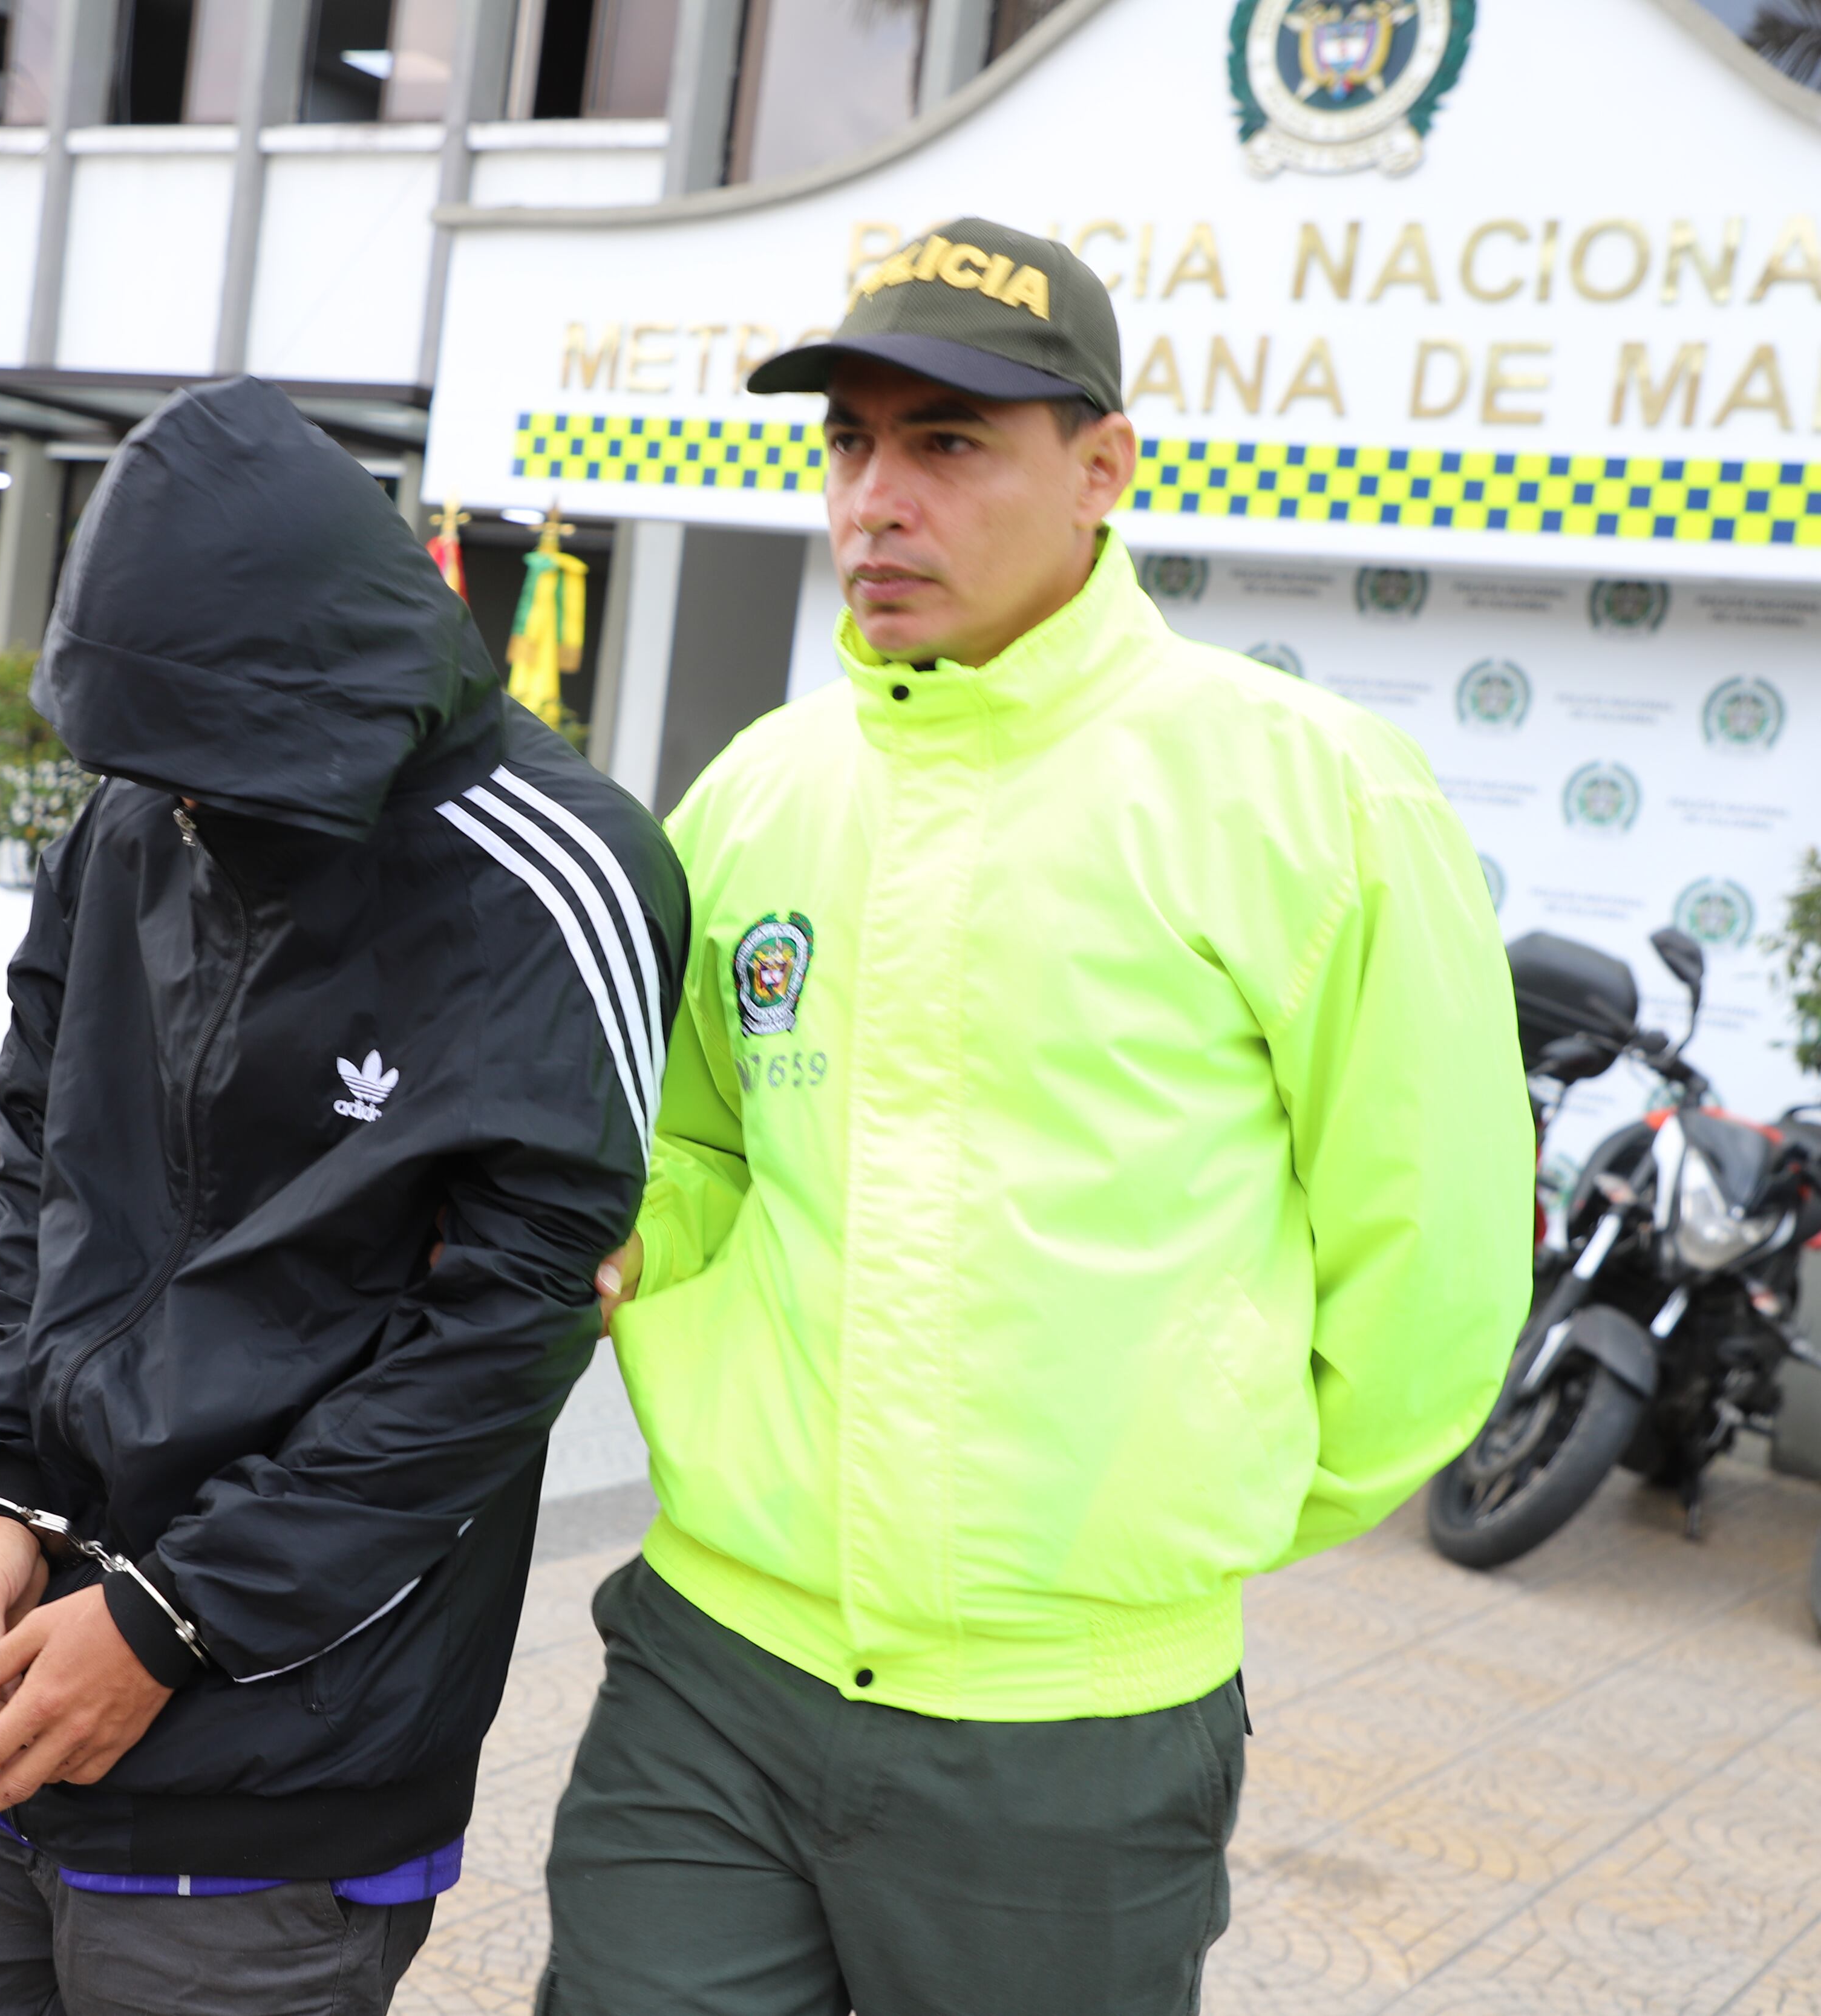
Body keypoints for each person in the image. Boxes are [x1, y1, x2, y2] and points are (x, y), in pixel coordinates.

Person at [546, 218, 1531, 2015]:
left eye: (946, 442)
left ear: (1103, 468)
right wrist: (617, 1248)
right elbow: (695, 1147)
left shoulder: (1307, 795)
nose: (874, 501)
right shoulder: (763, 788)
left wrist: (1161, 1519)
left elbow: (1438, 1253)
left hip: (1072, 1733)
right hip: (711, 1667)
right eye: (847, 442)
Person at [0, 375, 690, 2016]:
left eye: (211, 765)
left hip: (284, 1763)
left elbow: (504, 1335)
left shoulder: (557, 878)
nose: (182, 806)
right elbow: (38, 1167)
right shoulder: (138, 817)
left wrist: (174, 1619)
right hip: (4, 1678)